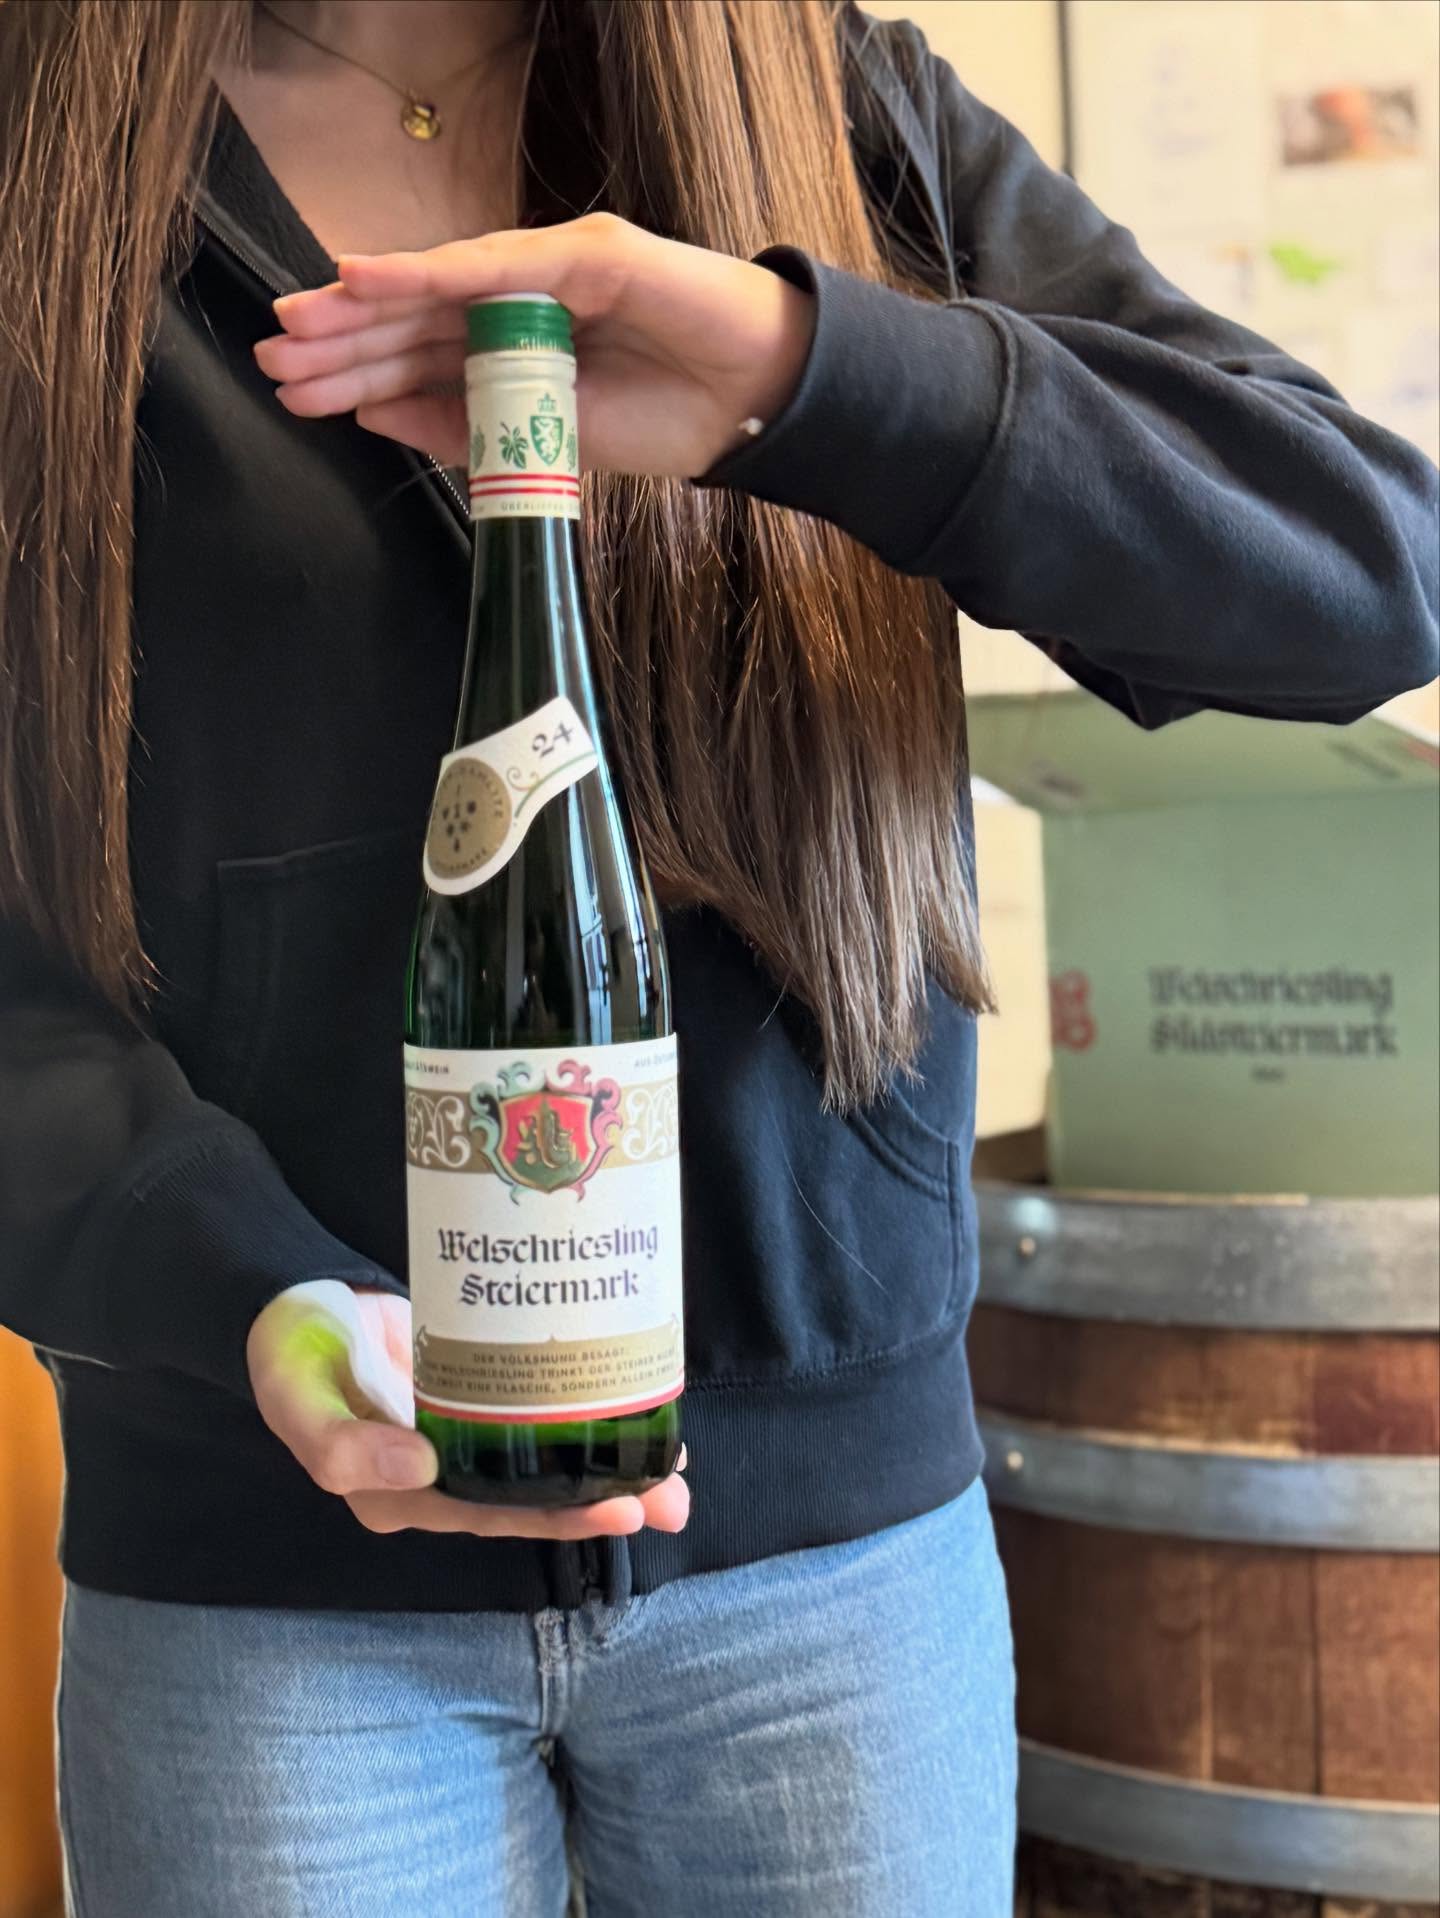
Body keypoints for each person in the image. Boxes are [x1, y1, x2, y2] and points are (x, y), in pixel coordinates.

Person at [0, 2, 1434, 1913]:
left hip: (832, 1587)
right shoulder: (42, 158)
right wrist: (229, 1280)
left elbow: (1367, 569)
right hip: (260, 1599)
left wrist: (802, 374)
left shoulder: (836, 109)